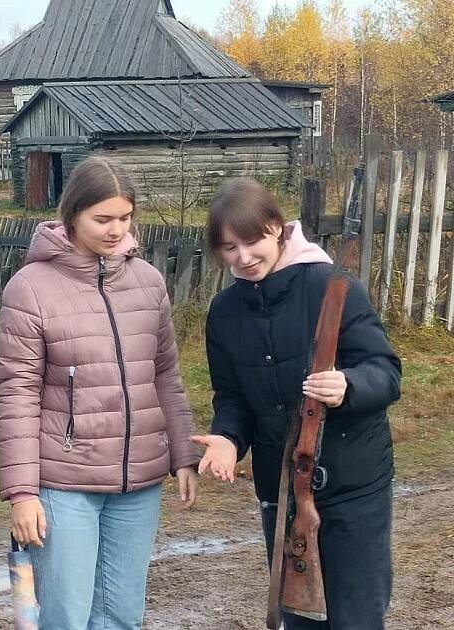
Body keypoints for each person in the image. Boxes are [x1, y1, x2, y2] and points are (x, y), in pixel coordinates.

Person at [0, 156, 200, 629]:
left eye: (125, 218)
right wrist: (22, 492)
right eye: (102, 219)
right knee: (66, 617)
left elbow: (165, 375)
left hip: (139, 481)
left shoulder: (148, 283)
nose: (116, 230)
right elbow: (17, 394)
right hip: (64, 481)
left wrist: (184, 456)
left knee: (121, 616)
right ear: (72, 215)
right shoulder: (30, 288)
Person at [192, 178, 401, 629]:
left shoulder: (331, 287)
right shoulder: (224, 312)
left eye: (251, 241)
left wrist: (348, 385)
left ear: (276, 228)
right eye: (229, 248)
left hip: (354, 487)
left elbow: (385, 372)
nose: (243, 257)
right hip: (282, 491)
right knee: (302, 619)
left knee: (357, 618)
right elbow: (233, 398)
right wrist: (228, 440)